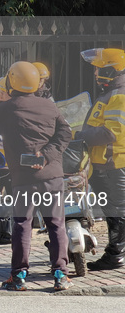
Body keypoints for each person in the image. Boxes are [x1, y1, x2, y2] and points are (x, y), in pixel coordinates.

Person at [0, 61, 73, 291]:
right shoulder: (49, 106)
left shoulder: (2, 109)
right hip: (52, 176)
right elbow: (66, 133)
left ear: (12, 81)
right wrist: (46, 155)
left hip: (23, 179)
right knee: (56, 224)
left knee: (22, 224)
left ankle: (19, 275)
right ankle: (61, 273)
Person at [76, 48, 125, 270]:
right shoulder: (111, 92)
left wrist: (80, 136)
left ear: (109, 70)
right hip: (105, 163)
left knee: (116, 211)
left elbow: (111, 132)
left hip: (113, 163)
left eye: (98, 68)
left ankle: (116, 255)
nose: (95, 72)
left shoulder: (119, 95)